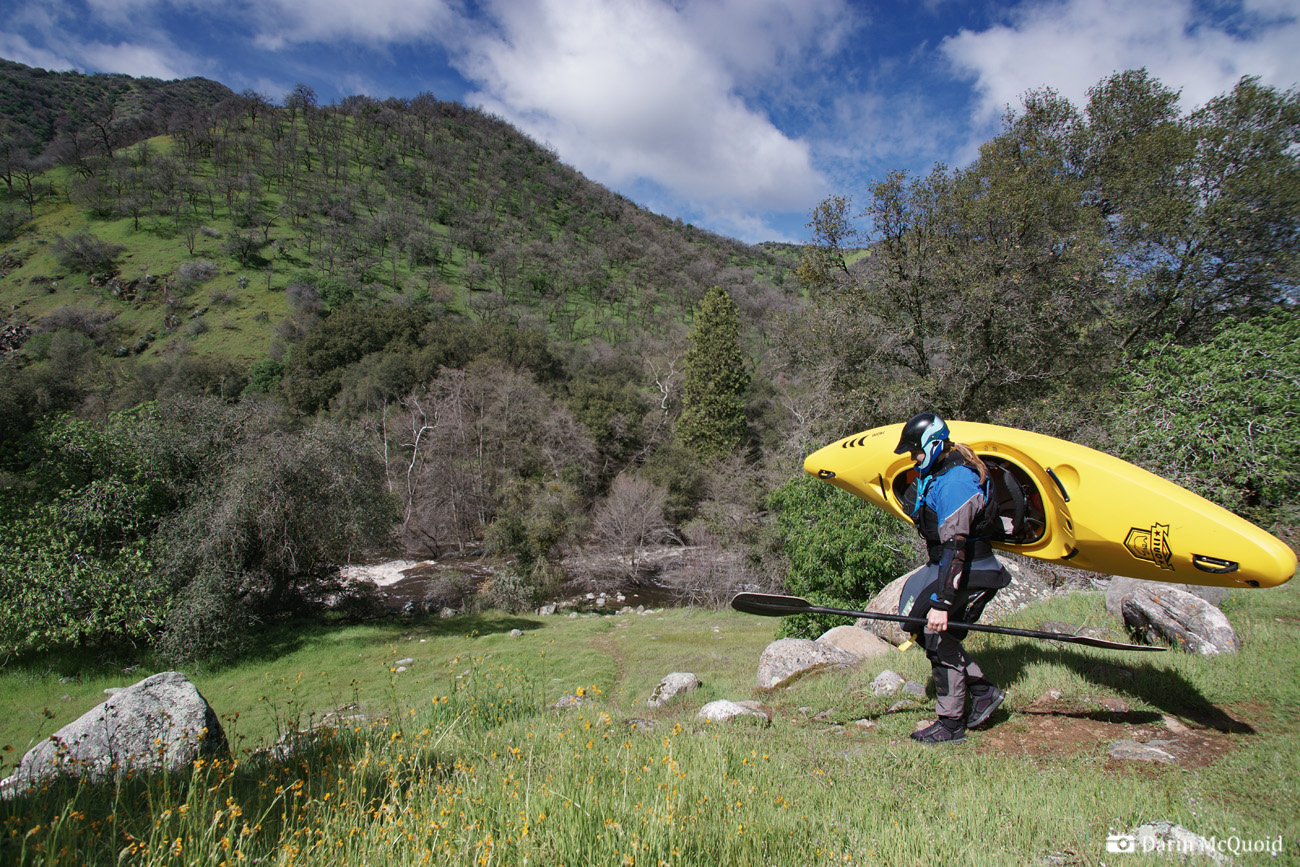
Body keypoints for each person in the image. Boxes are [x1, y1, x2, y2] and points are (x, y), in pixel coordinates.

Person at [895, 412, 1011, 745]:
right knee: (920, 627)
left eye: (915, 452)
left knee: (937, 635)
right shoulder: (939, 472)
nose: (914, 458)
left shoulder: (957, 481)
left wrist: (942, 604)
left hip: (971, 567)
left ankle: (950, 724)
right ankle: (982, 691)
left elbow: (955, 548)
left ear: (932, 445)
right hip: (953, 565)